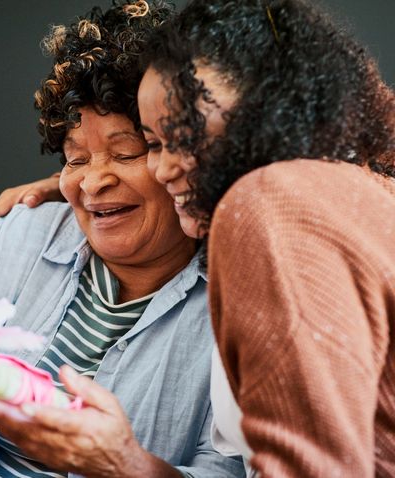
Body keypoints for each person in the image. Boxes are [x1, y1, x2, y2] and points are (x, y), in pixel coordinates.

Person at [0, 2, 246, 477]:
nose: (92, 183)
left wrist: (125, 466)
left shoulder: (237, 303)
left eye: (126, 151)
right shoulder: (20, 235)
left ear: (186, 157)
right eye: (75, 159)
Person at [136, 0, 395, 476]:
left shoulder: (268, 205)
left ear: (271, 113)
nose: (164, 168)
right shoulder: (360, 187)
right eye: (153, 143)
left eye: (187, 134)